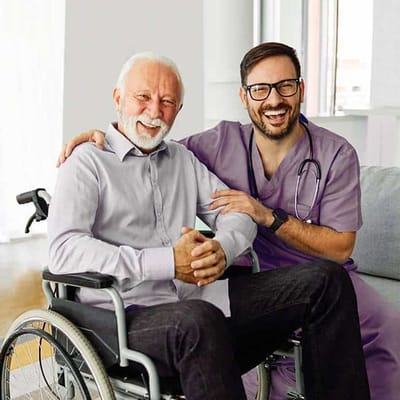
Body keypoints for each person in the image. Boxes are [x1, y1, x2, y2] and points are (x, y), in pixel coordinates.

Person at [51, 50, 371, 400]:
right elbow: (65, 251)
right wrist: (169, 261)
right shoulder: (86, 163)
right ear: (118, 99)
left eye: (167, 101)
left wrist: (223, 247)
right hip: (122, 314)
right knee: (199, 320)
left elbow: (237, 212)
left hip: (196, 298)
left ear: (179, 109)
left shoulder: (183, 159)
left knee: (326, 280)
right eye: (142, 97)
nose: (154, 111)